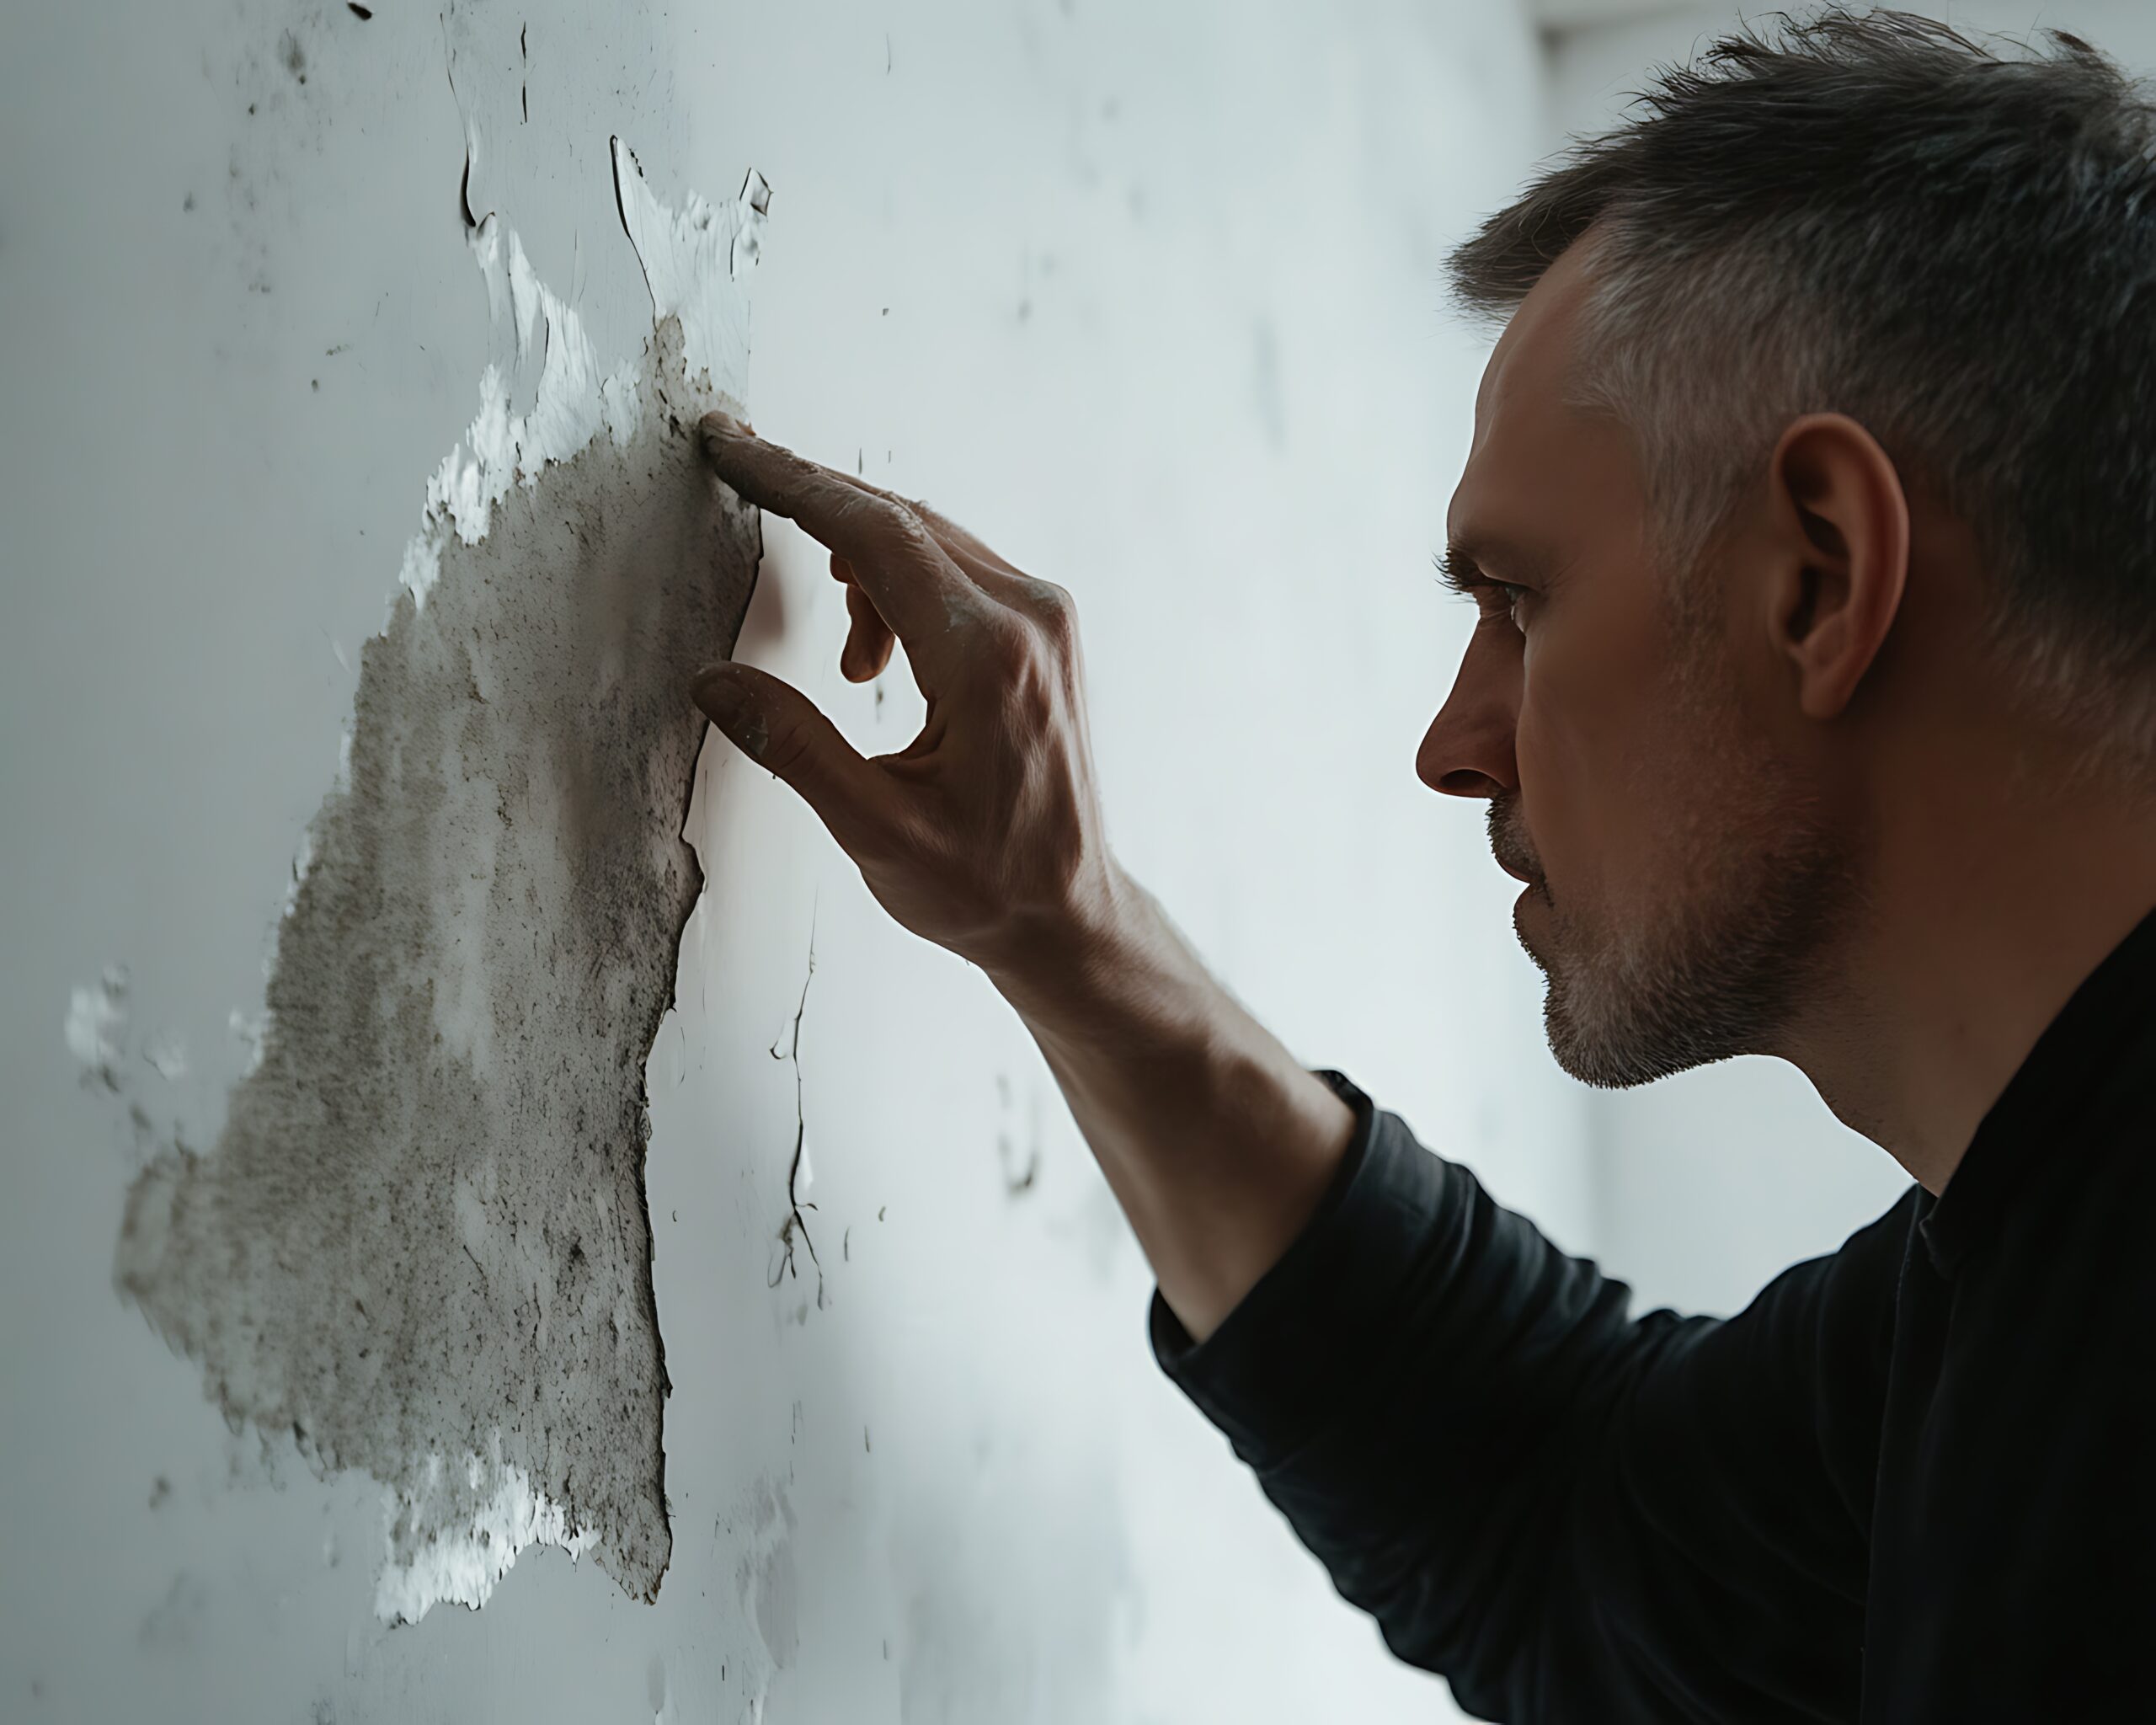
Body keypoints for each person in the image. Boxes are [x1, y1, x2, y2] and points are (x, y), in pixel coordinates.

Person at [687, 9, 2156, 1721]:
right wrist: (1066, 933)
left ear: (1815, 578)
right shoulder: (1993, 1305)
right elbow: (1559, 1520)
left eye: (1517, 601)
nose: (1451, 742)